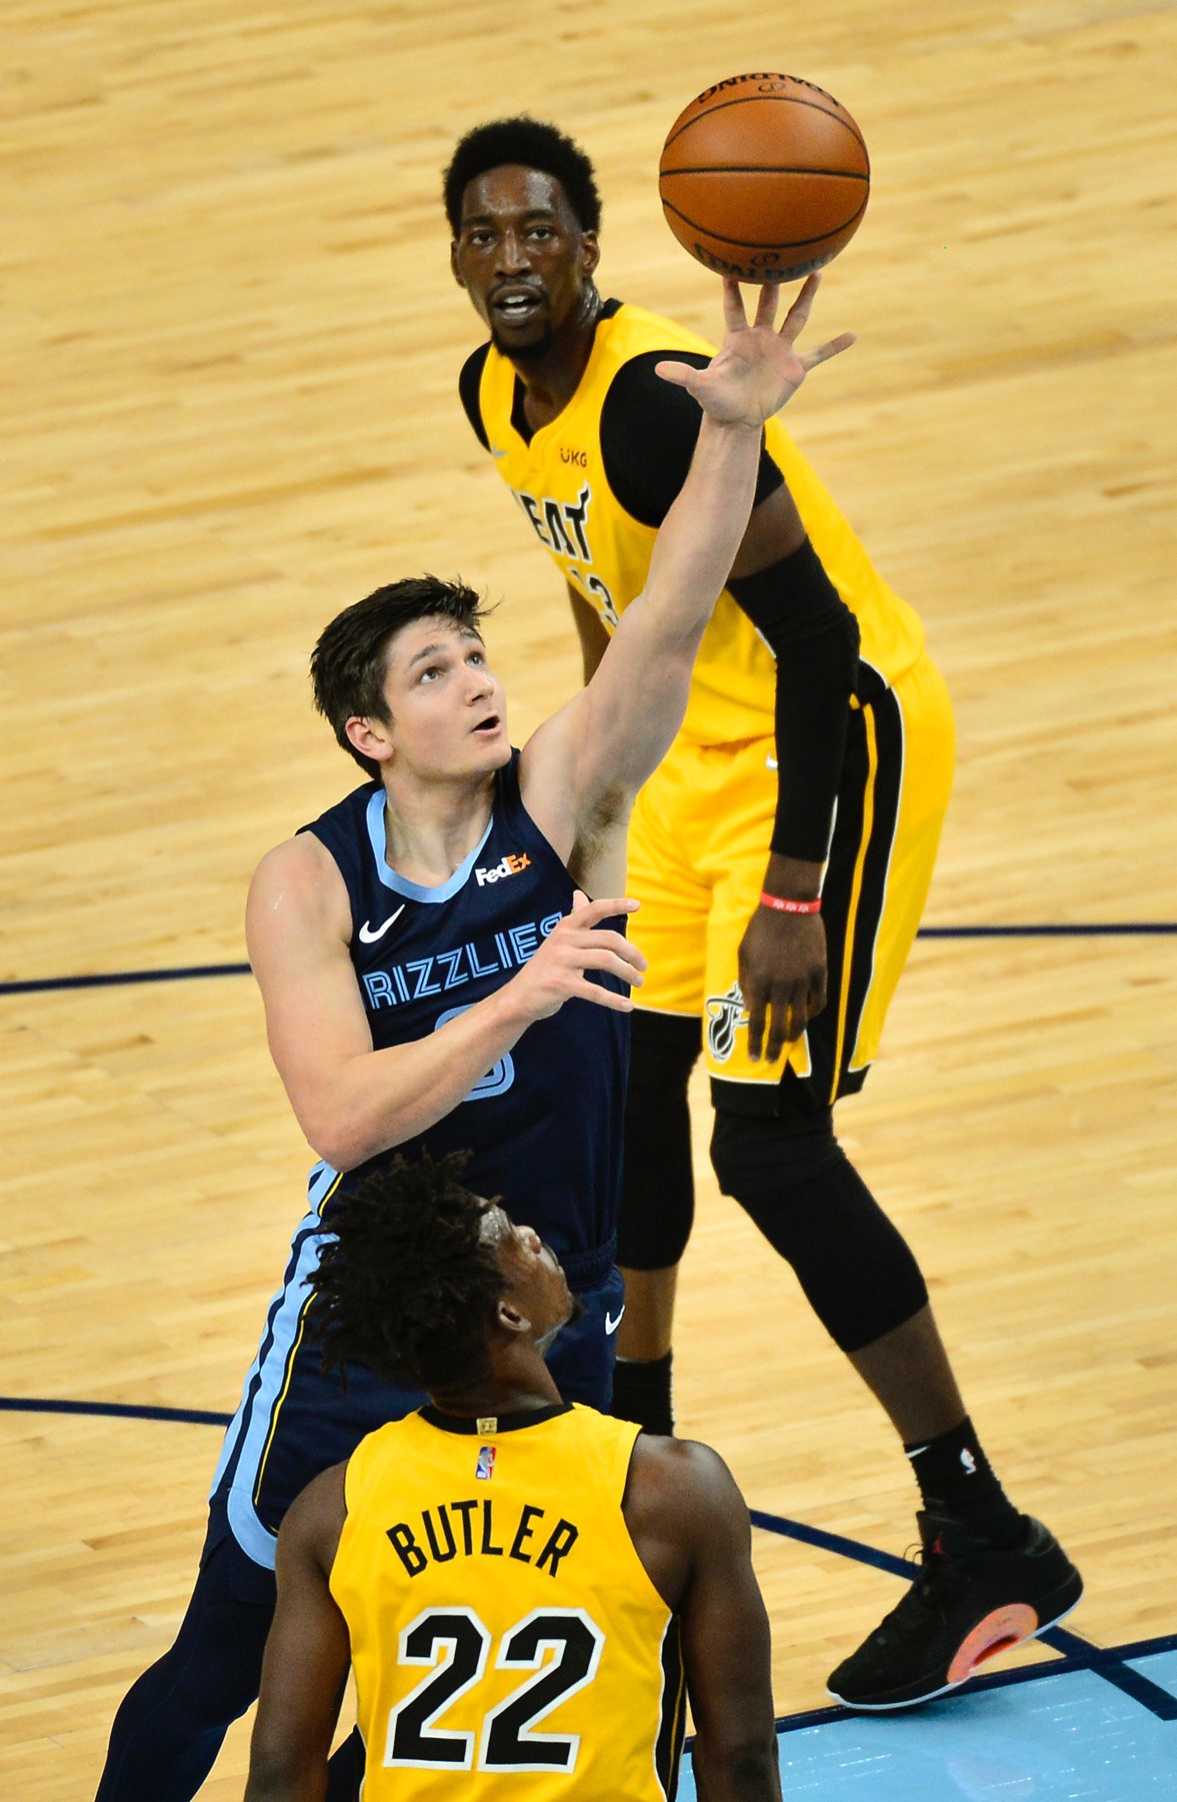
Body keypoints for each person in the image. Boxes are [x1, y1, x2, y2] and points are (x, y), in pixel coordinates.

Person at [96, 276, 846, 1798]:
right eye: (432, 671)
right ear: (371, 732)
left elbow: (672, 615)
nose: (479, 679)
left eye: (476, 652)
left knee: (483, 1645)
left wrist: (732, 438)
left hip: (543, 1300)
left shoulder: (556, 798)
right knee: (229, 1654)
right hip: (369, 1312)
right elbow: (342, 1118)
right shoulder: (309, 878)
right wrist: (518, 991)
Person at [444, 115, 1083, 1711]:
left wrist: (795, 887)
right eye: (483, 236)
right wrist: (591, 807)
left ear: (598, 248)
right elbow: (612, 607)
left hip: (832, 740)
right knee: (624, 1088)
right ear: (455, 256)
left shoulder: (659, 408)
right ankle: (639, 1459)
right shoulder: (493, 399)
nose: (512, 260)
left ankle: (978, 1524)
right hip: (688, 767)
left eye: (541, 233)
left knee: (772, 1147)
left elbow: (816, 638)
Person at [244, 1152, 783, 1802]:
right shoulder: (671, 1489)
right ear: (511, 1315)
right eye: (509, 1237)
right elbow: (742, 1754)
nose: (533, 1235)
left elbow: (280, 1770)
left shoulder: (335, 1507)